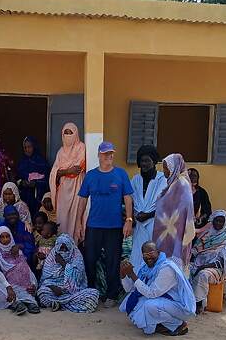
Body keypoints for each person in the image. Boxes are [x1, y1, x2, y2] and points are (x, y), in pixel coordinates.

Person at [76, 141, 133, 307]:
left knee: (112, 261)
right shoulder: (91, 176)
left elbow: (128, 199)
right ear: (99, 155)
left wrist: (128, 220)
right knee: (90, 259)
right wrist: (79, 222)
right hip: (93, 225)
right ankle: (91, 292)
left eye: (111, 153)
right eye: (106, 153)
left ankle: (112, 295)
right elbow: (82, 200)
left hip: (114, 227)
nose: (110, 156)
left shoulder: (121, 174)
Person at [120, 241, 195, 336]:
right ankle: (158, 324)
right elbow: (130, 289)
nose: (148, 257)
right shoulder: (145, 267)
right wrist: (123, 275)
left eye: (151, 253)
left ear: (158, 253)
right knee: (133, 302)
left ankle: (178, 324)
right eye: (145, 255)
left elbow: (152, 293)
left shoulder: (167, 268)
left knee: (149, 306)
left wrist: (132, 274)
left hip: (179, 306)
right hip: (163, 300)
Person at [0, 226, 41, 315]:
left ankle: (29, 300)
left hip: (21, 286)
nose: (6, 239)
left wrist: (33, 284)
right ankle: (15, 302)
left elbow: (27, 270)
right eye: (2, 237)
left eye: (7, 236)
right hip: (5, 286)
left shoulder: (17, 251)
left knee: (22, 265)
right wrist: (8, 287)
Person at [152, 153, 195, 271]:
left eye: (166, 168)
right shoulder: (174, 183)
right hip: (169, 230)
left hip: (177, 229)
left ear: (174, 168)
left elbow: (185, 205)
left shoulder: (181, 184)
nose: (164, 171)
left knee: (174, 264)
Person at [37, 233, 99, 313]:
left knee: (93, 294)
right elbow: (45, 279)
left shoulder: (77, 257)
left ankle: (59, 303)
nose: (63, 250)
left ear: (70, 247)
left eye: (66, 248)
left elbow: (78, 280)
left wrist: (63, 263)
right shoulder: (52, 257)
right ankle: (65, 304)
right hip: (54, 289)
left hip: (74, 291)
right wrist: (53, 287)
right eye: (61, 248)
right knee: (42, 292)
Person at [189, 210, 226, 314]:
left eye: (221, 221)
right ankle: (187, 301)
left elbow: (224, 261)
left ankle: (198, 303)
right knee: (186, 270)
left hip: (217, 268)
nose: (218, 223)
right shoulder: (206, 233)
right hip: (199, 263)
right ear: (212, 220)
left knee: (203, 275)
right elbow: (196, 250)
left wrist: (204, 266)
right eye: (216, 221)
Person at [49, 123, 86, 242]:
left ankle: (75, 246)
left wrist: (62, 171)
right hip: (63, 191)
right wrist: (66, 171)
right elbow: (54, 172)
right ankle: (62, 245)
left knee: (76, 218)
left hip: (77, 187)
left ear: (76, 134)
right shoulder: (60, 152)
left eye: (71, 133)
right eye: (66, 133)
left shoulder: (81, 147)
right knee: (63, 219)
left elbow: (77, 169)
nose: (68, 135)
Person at [130, 144, 166, 268]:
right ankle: (136, 285)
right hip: (139, 226)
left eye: (147, 161)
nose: (144, 164)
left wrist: (149, 214)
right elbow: (130, 201)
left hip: (156, 225)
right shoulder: (135, 180)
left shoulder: (163, 180)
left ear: (154, 162)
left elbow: (167, 206)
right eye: (142, 161)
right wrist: (132, 217)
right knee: (137, 258)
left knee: (155, 258)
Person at [17, 136, 51, 217]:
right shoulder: (22, 162)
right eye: (25, 147)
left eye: (29, 147)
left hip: (37, 197)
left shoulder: (42, 162)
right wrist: (22, 182)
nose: (27, 149)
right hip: (24, 196)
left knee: (37, 218)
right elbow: (16, 179)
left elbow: (48, 180)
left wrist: (36, 183)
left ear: (34, 147)